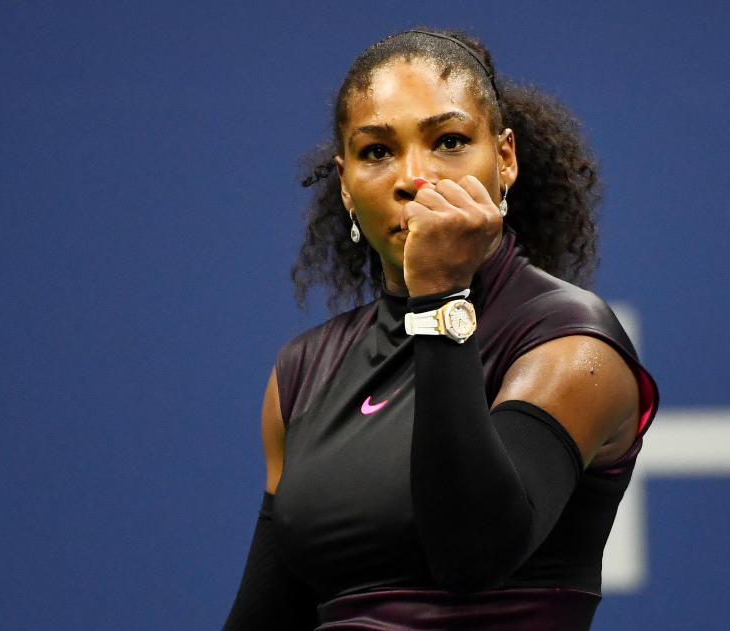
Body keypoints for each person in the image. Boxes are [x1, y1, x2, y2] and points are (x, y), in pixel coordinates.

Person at [221, 28, 658, 631]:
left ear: (504, 159)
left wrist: (439, 296)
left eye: (449, 141)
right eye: (377, 151)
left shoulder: (572, 345)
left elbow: (473, 554)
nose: (414, 177)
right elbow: (266, 619)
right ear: (345, 182)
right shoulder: (303, 373)